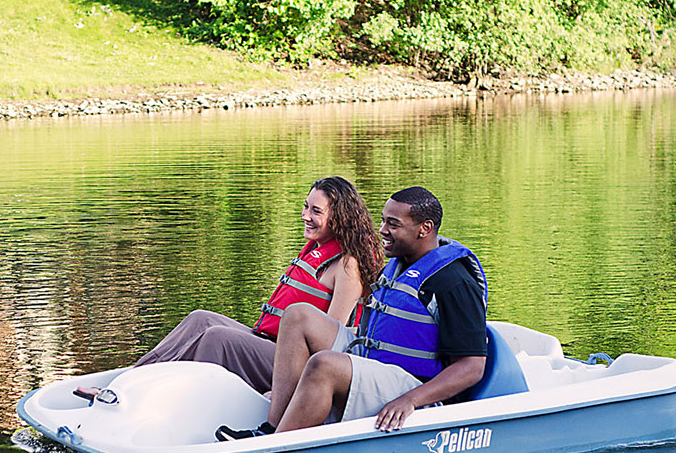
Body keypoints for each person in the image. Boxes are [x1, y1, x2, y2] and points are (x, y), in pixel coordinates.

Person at [217, 186, 487, 438]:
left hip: (414, 385)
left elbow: (471, 367)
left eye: (393, 224)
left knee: (325, 364)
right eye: (383, 221)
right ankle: (272, 427)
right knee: (298, 315)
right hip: (376, 361)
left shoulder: (454, 282)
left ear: (424, 229)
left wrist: (410, 399)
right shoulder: (399, 265)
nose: (382, 230)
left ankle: (276, 448)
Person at [132, 176, 385, 394]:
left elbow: (333, 341)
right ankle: (134, 378)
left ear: (340, 218)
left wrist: (289, 391)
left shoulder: (348, 265)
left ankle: (184, 399)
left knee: (217, 338)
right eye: (306, 206)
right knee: (200, 319)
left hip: (296, 363)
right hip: (270, 343)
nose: (305, 216)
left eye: (316, 211)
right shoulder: (318, 249)